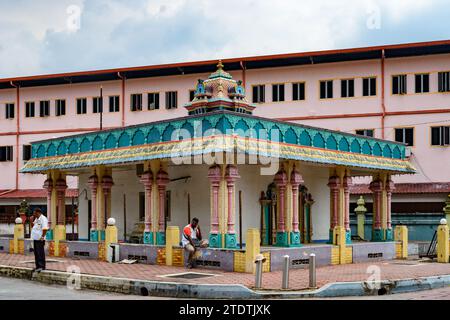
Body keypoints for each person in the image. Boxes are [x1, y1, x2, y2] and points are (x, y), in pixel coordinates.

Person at [30, 208, 48, 272]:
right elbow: (33, 226)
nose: (33, 214)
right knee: (36, 253)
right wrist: (31, 220)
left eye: (34, 213)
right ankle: (37, 266)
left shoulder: (43, 219)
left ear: (38, 212)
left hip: (40, 239)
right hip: (35, 239)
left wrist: (42, 237)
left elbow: (45, 229)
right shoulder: (37, 219)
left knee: (40, 253)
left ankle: (42, 266)